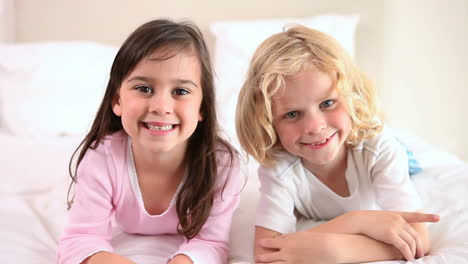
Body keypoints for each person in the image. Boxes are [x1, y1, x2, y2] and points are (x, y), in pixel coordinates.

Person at [235, 25, 439, 264]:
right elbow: (266, 254)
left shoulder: (378, 148)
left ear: (352, 96)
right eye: (292, 114)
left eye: (328, 103)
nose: (314, 126)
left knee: (401, 153)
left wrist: (328, 249)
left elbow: (419, 239)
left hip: (369, 145)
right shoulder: (280, 168)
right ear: (268, 122)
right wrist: (355, 223)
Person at [57, 19, 240, 264]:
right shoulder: (102, 158)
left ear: (202, 107)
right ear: (117, 101)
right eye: (144, 88)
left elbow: (210, 242)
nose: (161, 107)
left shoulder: (222, 165)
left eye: (181, 92)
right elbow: (81, 240)